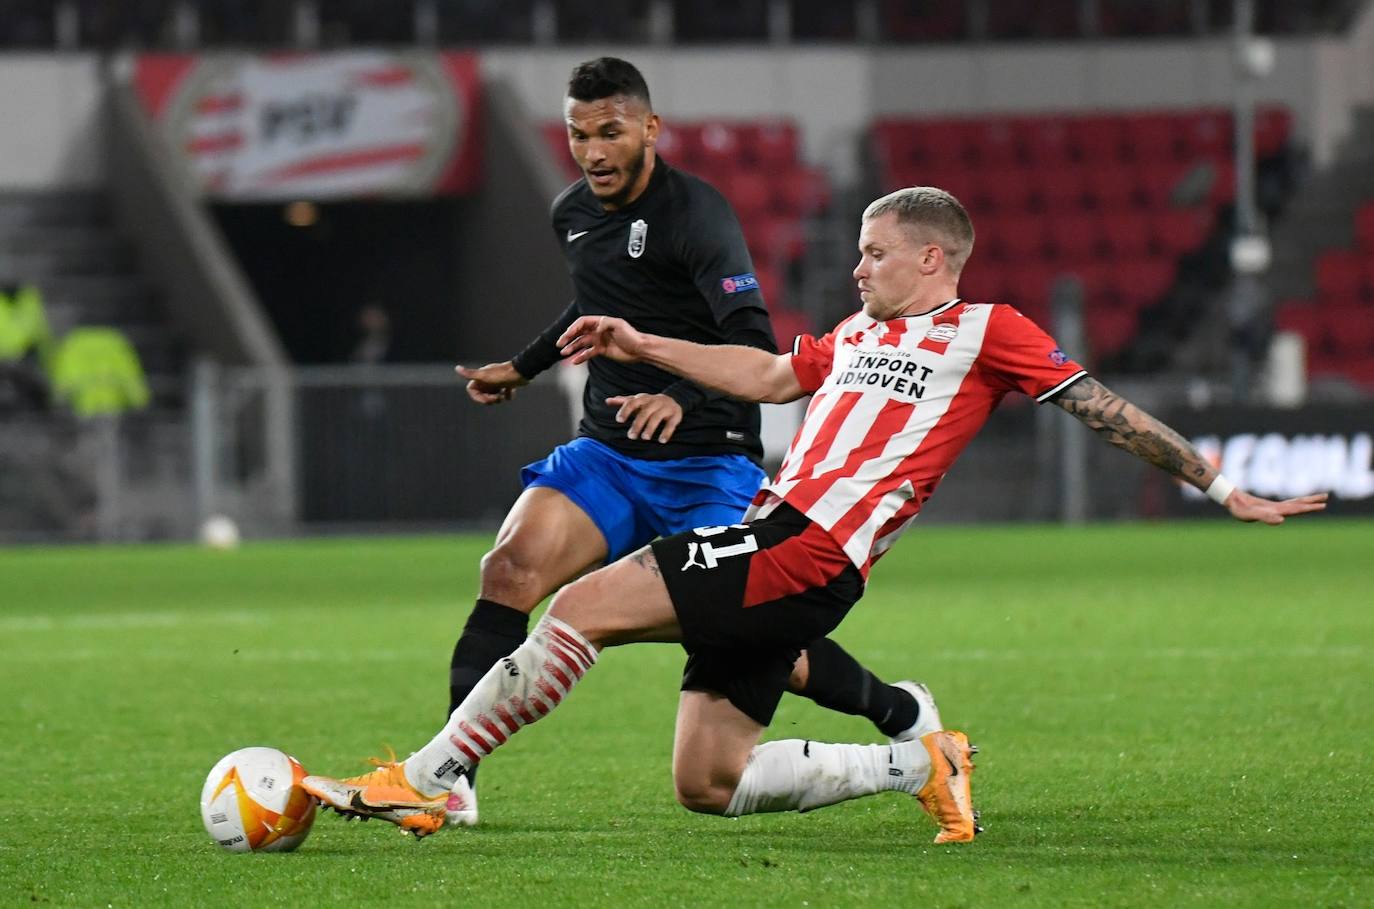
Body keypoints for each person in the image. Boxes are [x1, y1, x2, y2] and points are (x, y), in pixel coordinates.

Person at [303, 187, 1326, 841]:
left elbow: (1104, 411)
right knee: (708, 782)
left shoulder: (988, 331)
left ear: (933, 258)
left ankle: (428, 778)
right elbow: (762, 371)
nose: (859, 266)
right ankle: (914, 756)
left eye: (876, 252)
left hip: (804, 545)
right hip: (792, 549)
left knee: (579, 608)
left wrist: (1218, 484)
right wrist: (645, 344)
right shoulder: (852, 332)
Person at [438, 57, 934, 827]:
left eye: (610, 132)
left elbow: (754, 340)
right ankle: (450, 772)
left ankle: (898, 709)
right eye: (578, 134)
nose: (593, 151)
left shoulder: (697, 215)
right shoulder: (571, 210)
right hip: (606, 453)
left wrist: (679, 394)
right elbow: (594, 298)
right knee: (507, 568)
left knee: (751, 638)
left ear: (648, 128)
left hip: (708, 462)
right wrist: (524, 369)